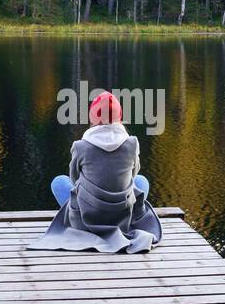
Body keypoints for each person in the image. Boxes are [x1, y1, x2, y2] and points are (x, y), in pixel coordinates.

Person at [29, 91, 162, 253]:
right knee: (141, 181)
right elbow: (133, 175)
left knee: (59, 182)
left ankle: (83, 222)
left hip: (88, 217)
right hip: (122, 215)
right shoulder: (132, 143)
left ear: (93, 117)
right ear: (119, 116)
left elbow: (75, 178)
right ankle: (116, 221)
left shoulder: (81, 146)